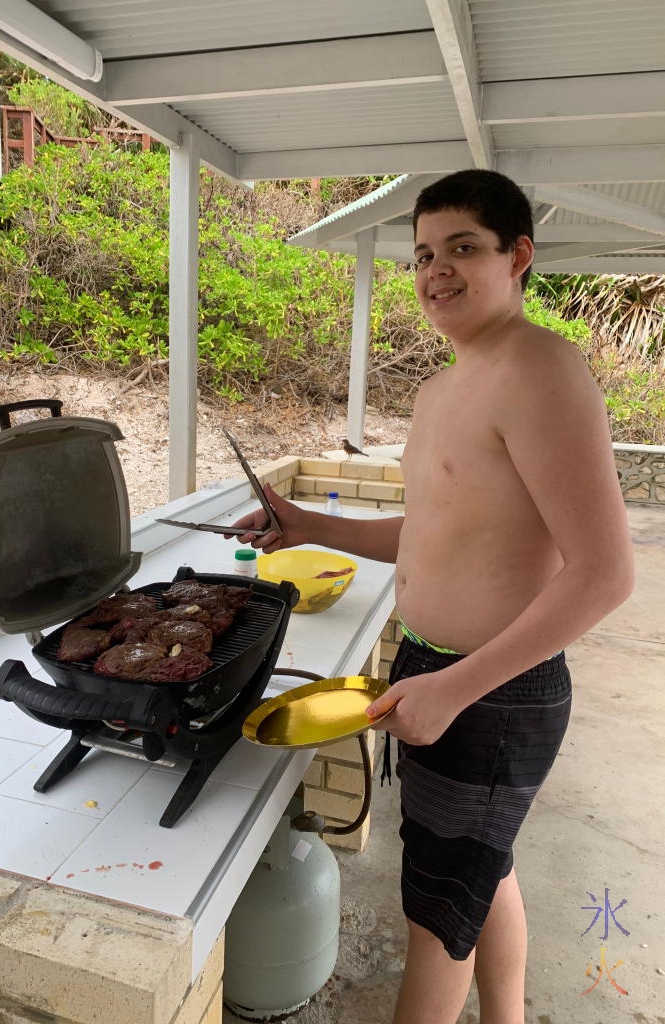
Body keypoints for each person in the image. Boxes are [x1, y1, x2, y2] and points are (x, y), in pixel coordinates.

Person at [228, 169, 634, 1024]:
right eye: (422, 254)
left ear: (518, 256)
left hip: (490, 692)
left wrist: (454, 688)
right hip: (434, 672)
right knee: (482, 877)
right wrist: (306, 525)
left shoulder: (541, 371)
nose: (435, 270)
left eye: (462, 248)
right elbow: (431, 533)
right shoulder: (444, 387)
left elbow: (605, 574)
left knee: (436, 921)